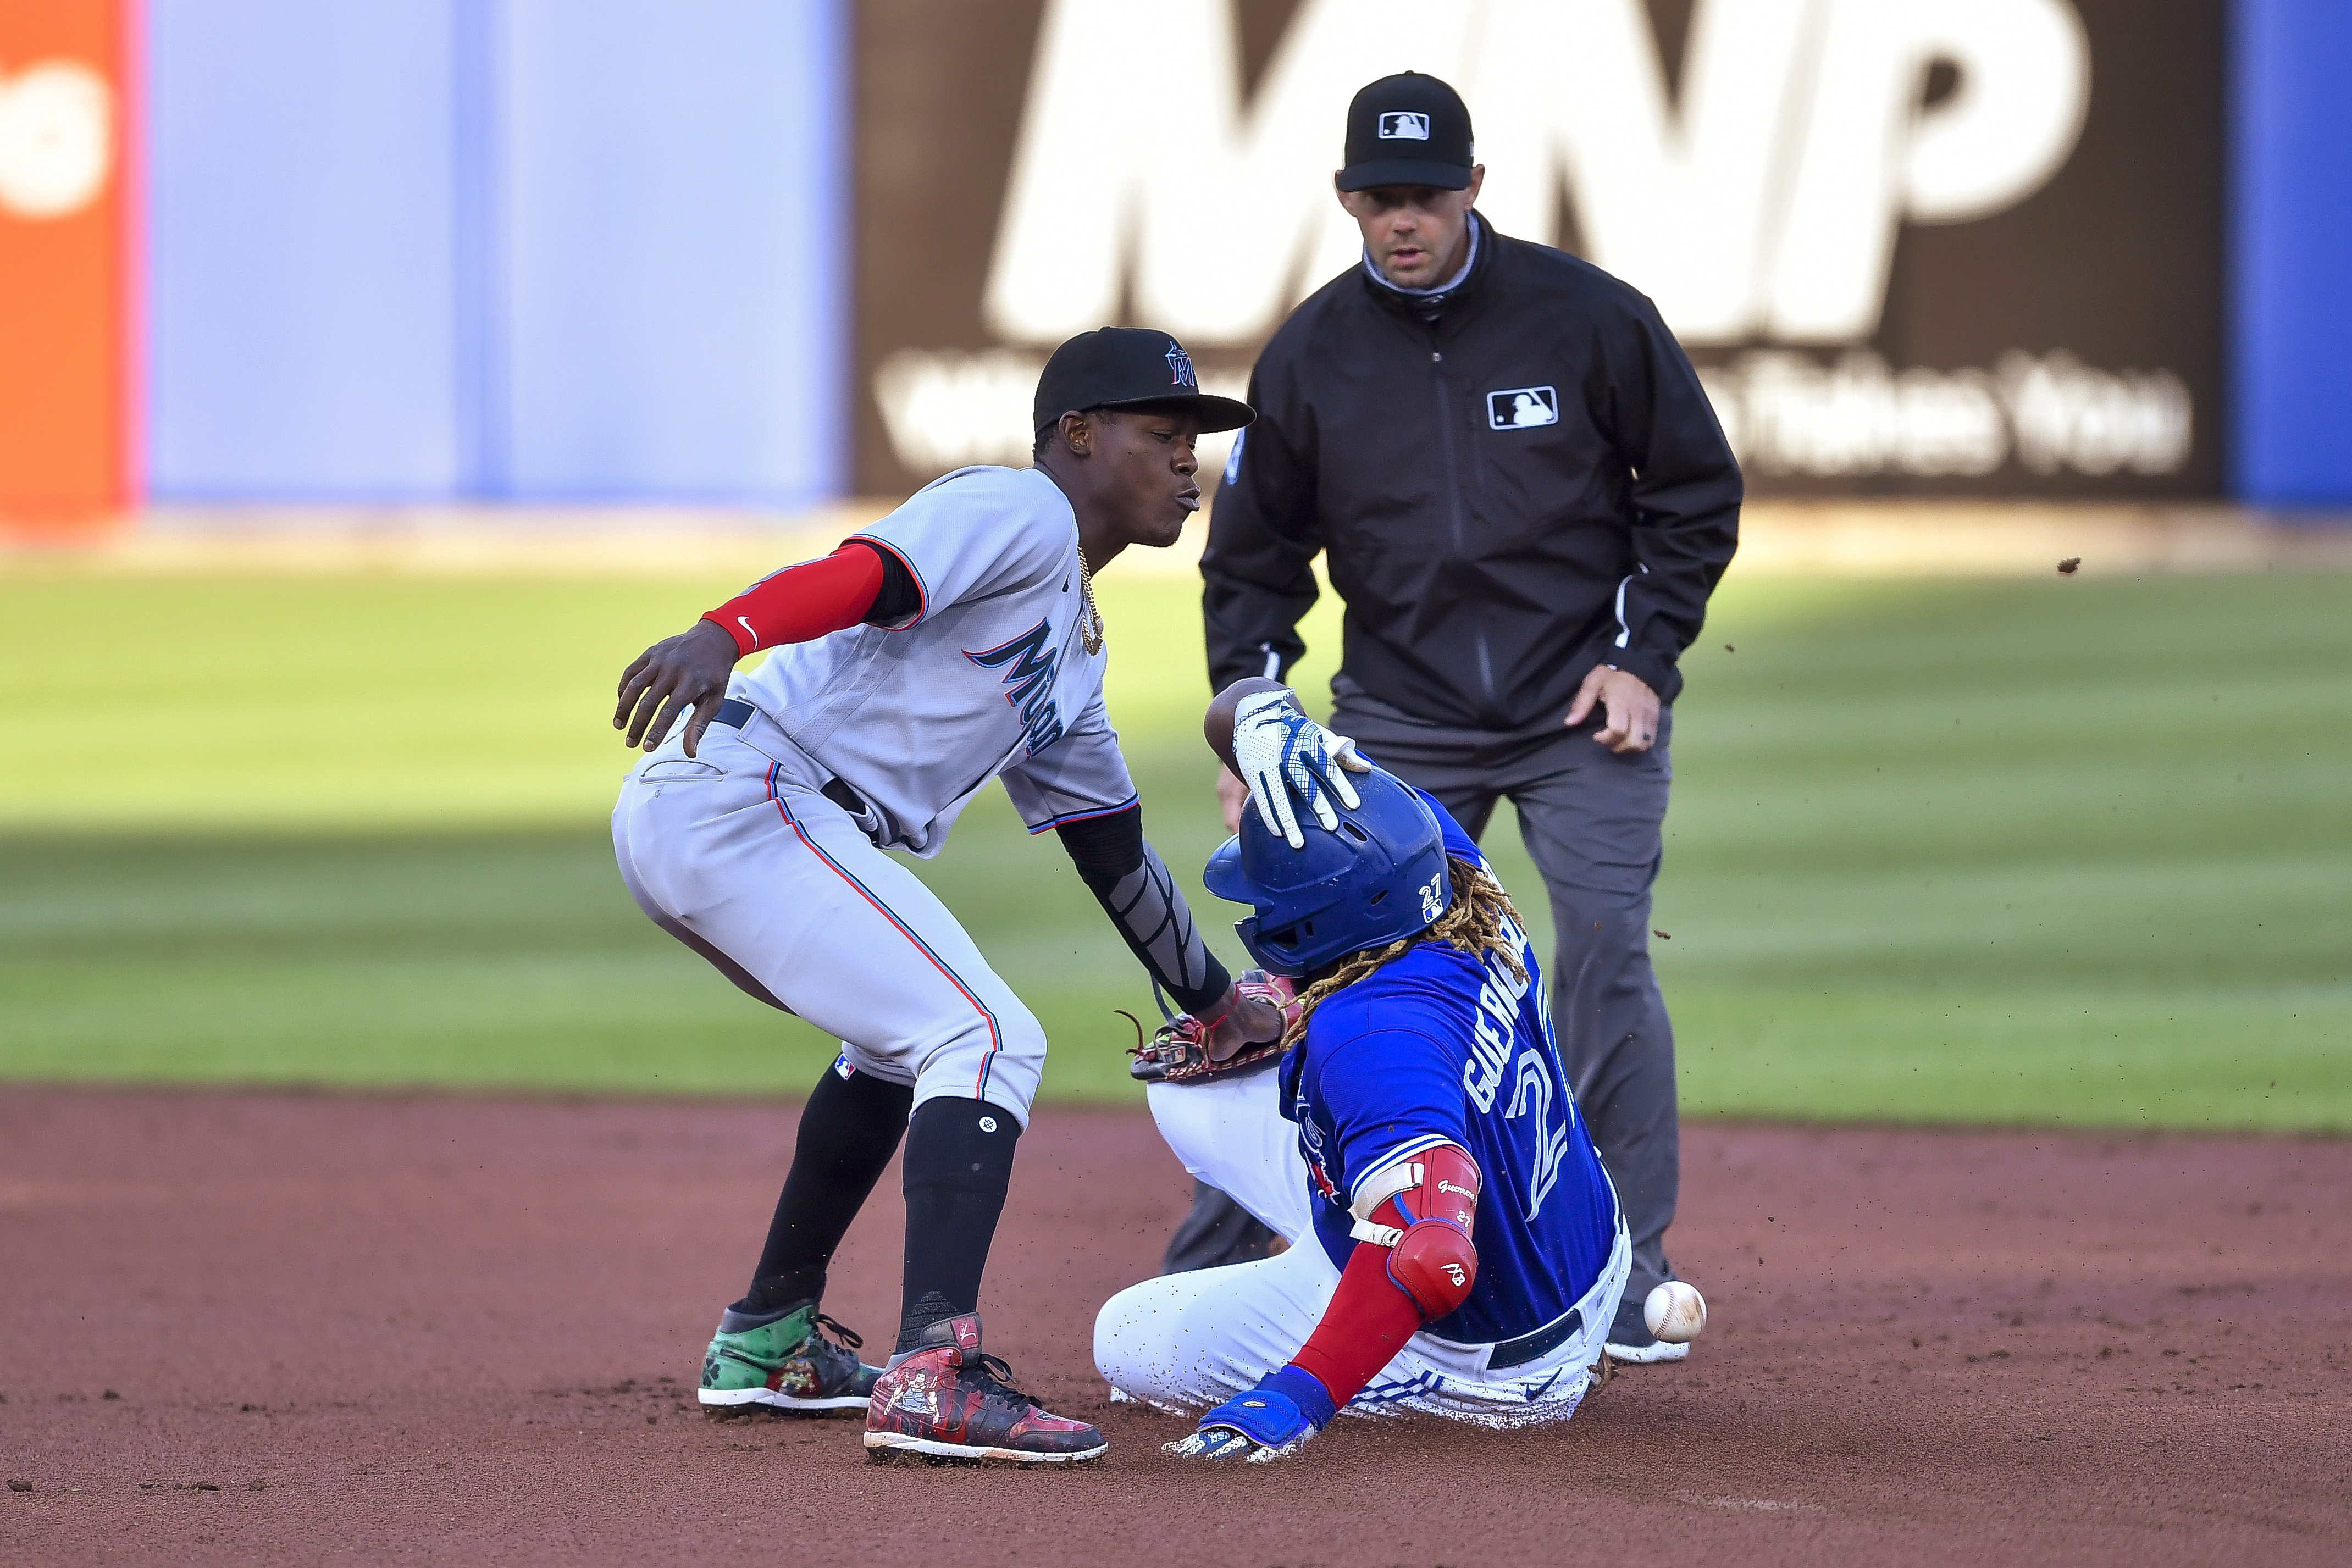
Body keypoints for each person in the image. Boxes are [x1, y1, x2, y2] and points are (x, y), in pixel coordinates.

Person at [609, 327, 1287, 1465]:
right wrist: (726, 630)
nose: (1188, 463)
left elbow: (1109, 850)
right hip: (749, 791)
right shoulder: (1019, 512)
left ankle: (769, 1334)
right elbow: (871, 572)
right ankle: (935, 1369)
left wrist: (1214, 1002)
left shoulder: (1073, 648)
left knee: (901, 1044)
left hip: (749, 812)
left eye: (1194, 443)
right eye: (1163, 435)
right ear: (1077, 435)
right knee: (982, 1034)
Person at [1196, 70, 1742, 1361]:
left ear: (1474, 190)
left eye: (1426, 197)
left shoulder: (1588, 318)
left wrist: (1643, 658)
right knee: (1325, 977)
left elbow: (1691, 492)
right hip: (1399, 712)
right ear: (1345, 200)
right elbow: (1252, 563)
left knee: (1604, 947)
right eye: (1379, 199)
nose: (1404, 221)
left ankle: (1617, 1273)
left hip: (1577, 703)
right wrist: (1250, 726)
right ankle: (1265, 1260)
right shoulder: (1312, 355)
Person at [1099, 680, 1634, 1453]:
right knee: (1187, 1103)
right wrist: (1265, 720)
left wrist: (1298, 1395)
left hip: (1492, 1362)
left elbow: (1435, 1258)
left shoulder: (1363, 1034)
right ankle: (1353, 1232)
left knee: (1125, 1338)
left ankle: (1372, 1331)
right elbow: (1262, 726)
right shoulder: (1450, 867)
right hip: (1581, 1243)